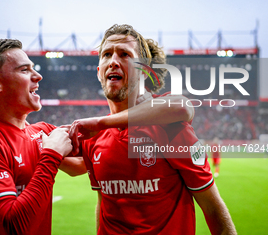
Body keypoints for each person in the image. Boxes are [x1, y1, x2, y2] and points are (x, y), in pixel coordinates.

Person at [70, 24, 237, 234]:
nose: (113, 61)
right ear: (99, 72)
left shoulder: (170, 127)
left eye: (124, 54)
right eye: (107, 55)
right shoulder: (94, 136)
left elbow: (213, 209)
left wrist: (101, 123)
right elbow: (103, 203)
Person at [0, 39, 74, 235]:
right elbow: (14, 227)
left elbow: (87, 161)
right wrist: (50, 155)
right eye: (24, 70)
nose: (39, 76)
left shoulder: (41, 132)